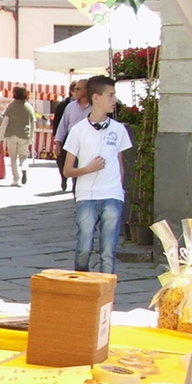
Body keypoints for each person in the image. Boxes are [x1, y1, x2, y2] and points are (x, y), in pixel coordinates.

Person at [62, 75, 132, 274]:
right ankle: (83, 290)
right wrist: (87, 169)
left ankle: (105, 299)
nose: (114, 100)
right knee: (84, 248)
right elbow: (67, 170)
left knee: (108, 250)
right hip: (87, 196)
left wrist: (120, 189)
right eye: (110, 95)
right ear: (96, 98)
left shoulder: (118, 130)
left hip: (112, 195)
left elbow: (120, 165)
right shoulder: (78, 131)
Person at [53, 79, 90, 193]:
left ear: (87, 90)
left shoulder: (95, 107)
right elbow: (63, 126)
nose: (75, 91)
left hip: (90, 145)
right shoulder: (70, 107)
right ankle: (77, 196)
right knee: (75, 173)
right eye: (74, 89)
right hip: (73, 145)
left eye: (78, 88)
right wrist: (58, 144)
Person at [1, 86, 36, 186]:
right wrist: (31, 137)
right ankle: (24, 168)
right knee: (23, 157)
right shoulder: (29, 107)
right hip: (25, 135)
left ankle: (16, 179)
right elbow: (33, 123)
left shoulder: (10, 106)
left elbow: (5, 122)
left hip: (11, 134)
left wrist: (1, 137)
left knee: (13, 158)